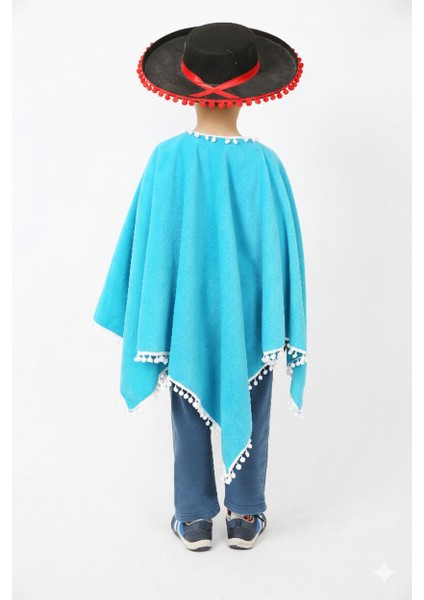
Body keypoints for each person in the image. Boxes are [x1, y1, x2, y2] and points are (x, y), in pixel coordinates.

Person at [92, 22, 308, 552]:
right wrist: (275, 315)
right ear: (249, 93)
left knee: (186, 405)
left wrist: (159, 303)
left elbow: (148, 244)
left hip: (185, 313)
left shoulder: (166, 158)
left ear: (187, 89)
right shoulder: (266, 163)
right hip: (251, 318)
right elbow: (283, 254)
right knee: (254, 401)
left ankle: (192, 518)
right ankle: (246, 514)